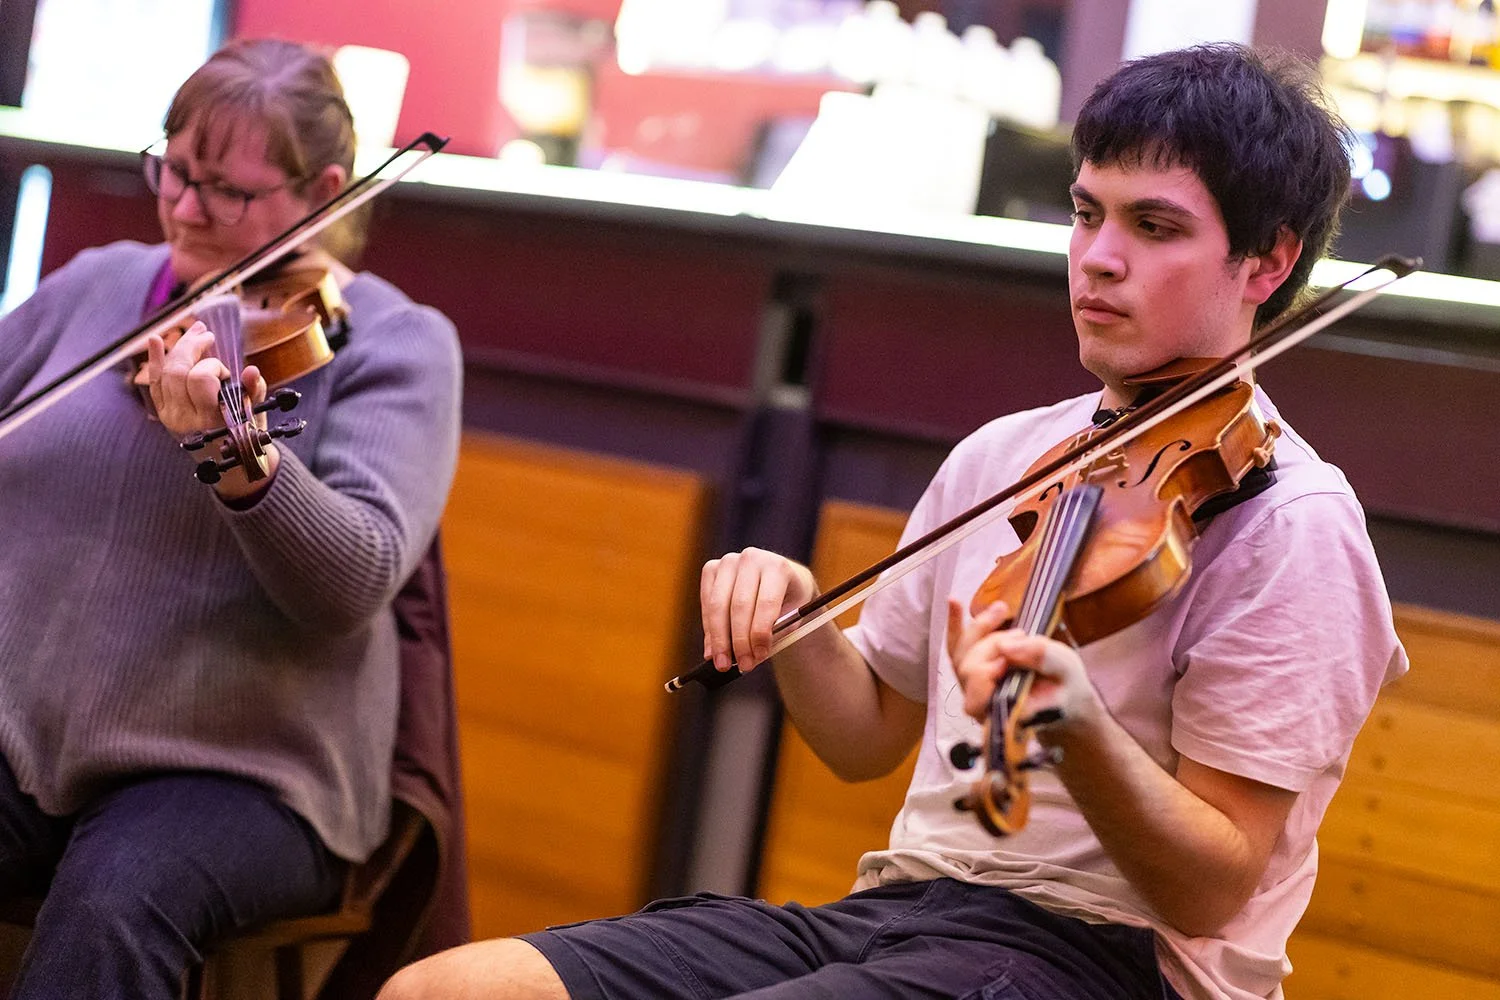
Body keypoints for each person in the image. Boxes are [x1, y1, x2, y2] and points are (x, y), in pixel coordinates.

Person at [378, 43, 1406, 1000]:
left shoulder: (1293, 525)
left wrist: (1080, 730)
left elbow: (1211, 889)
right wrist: (797, 622)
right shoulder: (1010, 455)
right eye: (1087, 213)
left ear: (1268, 264)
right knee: (445, 989)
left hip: (1103, 958)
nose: (1095, 258)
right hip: (900, 912)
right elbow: (866, 732)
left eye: (1154, 226)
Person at [0, 38, 462, 999]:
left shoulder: (392, 341)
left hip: (243, 770)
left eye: (229, 191)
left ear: (325, 188)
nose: (185, 207)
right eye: (174, 170)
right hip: (25, 741)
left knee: (116, 900)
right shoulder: (95, 286)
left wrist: (234, 454)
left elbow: (354, 581)